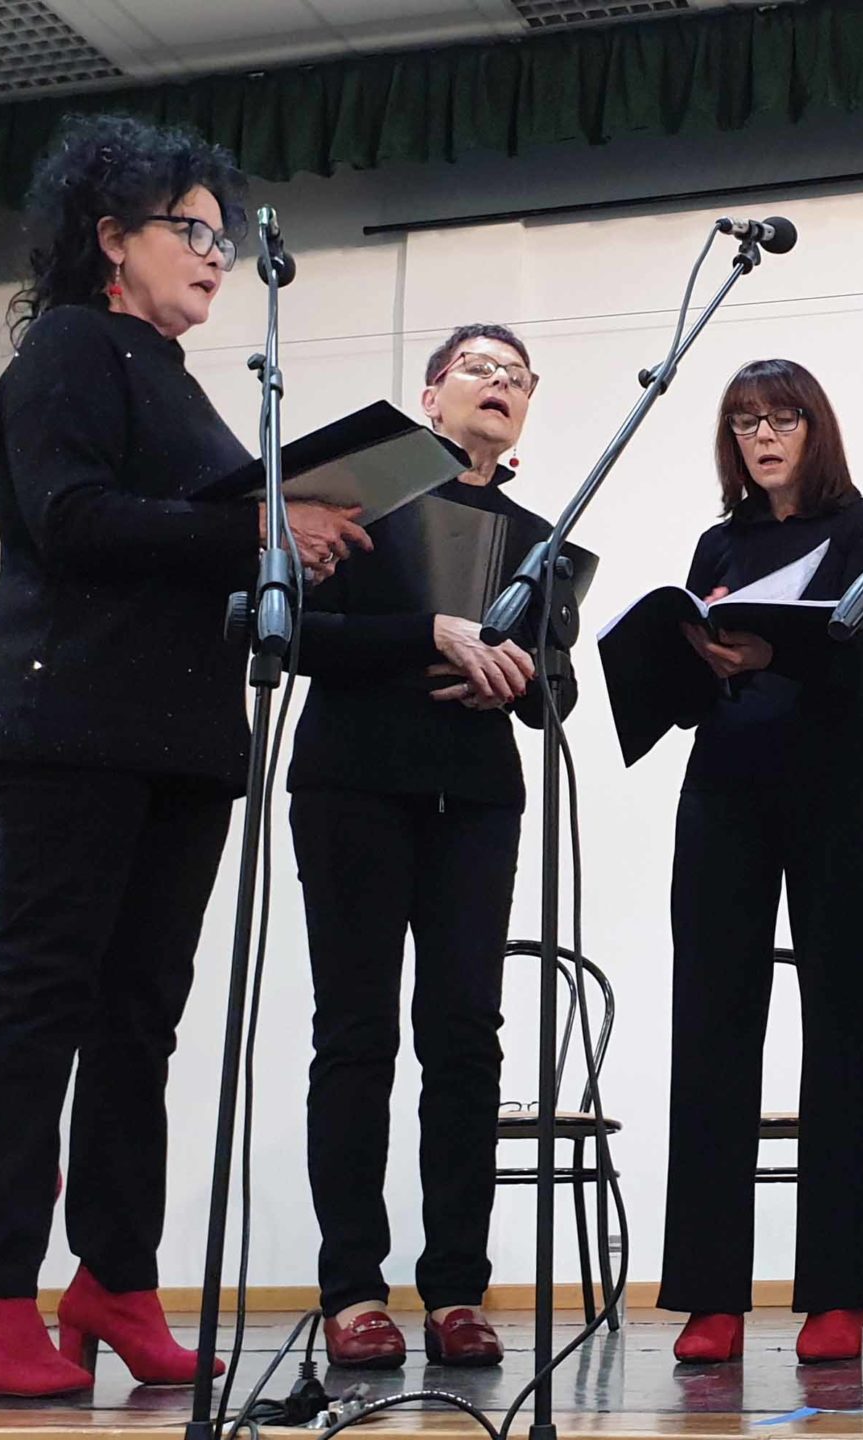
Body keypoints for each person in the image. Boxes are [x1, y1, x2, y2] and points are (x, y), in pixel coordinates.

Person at [0, 114, 369, 1398]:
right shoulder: (69, 350)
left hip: (180, 739)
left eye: (222, 235)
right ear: (109, 238)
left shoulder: (173, 377)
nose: (216, 253)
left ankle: (114, 1281)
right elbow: (73, 521)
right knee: (43, 1003)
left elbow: (196, 533)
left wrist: (298, 533)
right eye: (190, 229)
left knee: (141, 1022)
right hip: (73, 727)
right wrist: (258, 526)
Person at [287, 324, 565, 1370]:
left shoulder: (538, 533)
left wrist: (522, 679)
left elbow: (559, 685)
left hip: (477, 798)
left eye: (516, 377)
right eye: (478, 369)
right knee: (355, 1035)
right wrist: (428, 635)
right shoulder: (362, 497)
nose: (500, 385)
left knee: (466, 1040)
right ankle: (353, 1290)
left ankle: (456, 1290)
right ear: (430, 393)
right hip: (353, 783)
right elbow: (297, 636)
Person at [659, 360, 863, 1366]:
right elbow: (693, 687)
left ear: (815, 427)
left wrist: (771, 653)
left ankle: (835, 1294)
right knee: (712, 1026)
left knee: (842, 1026)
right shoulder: (720, 542)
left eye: (782, 417)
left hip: (836, 783)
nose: (762, 435)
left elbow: (857, 654)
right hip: (725, 784)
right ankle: (710, 1295)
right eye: (744, 421)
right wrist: (680, 659)